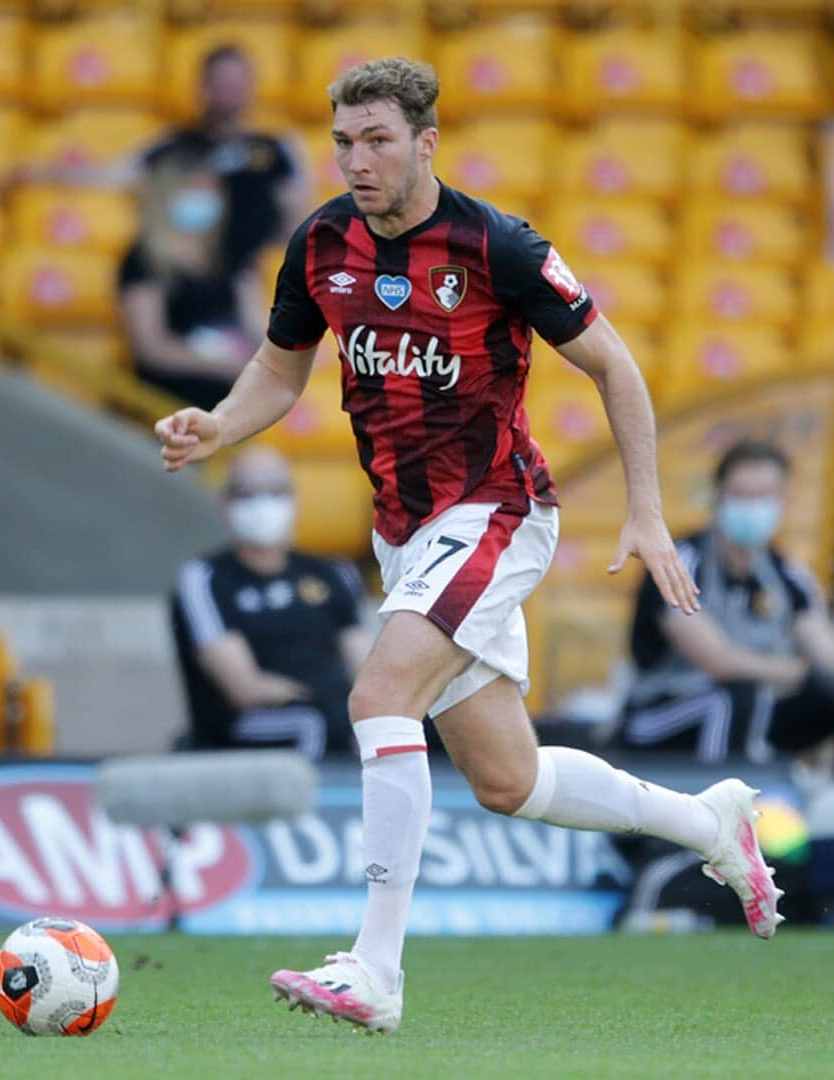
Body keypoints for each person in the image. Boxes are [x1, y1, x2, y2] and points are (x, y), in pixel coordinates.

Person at [154, 58, 783, 1034]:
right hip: (404, 536)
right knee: (508, 782)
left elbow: (616, 369)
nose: (357, 161)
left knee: (377, 694)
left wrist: (648, 512)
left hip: (495, 509)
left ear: (425, 141)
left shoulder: (499, 247)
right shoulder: (321, 241)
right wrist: (218, 425)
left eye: (378, 141)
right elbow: (279, 373)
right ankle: (710, 824)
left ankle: (375, 972)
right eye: (344, 142)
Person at [618, 439, 834, 765]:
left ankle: (803, 796)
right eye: (742, 495)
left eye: (764, 496)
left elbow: (822, 650)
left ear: (784, 501)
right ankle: (724, 804)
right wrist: (800, 674)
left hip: (751, 708)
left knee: (823, 697)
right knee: (731, 697)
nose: (753, 506)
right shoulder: (680, 562)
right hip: (657, 717)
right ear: (718, 497)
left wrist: (818, 680)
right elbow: (719, 661)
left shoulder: (789, 577)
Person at [13, 45, 306, 276]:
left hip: (255, 274)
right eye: (223, 82)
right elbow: (111, 175)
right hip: (194, 271)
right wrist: (38, 173)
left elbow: (297, 215)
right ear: (203, 88)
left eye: (239, 82)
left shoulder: (277, 148)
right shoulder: (174, 146)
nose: (233, 91)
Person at [171, 446, 372, 761]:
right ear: (224, 503)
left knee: (418, 724)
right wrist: (322, 699)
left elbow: (367, 670)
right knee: (316, 723)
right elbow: (245, 688)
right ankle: (313, 811)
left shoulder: (333, 574)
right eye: (247, 493)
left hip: (332, 709)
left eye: (275, 491)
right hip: (243, 727)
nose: (263, 504)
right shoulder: (206, 579)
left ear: (294, 499)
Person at [119, 152, 262, 410]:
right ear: (168, 193)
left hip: (231, 397)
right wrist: (220, 365)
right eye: (193, 189)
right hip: (168, 396)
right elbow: (151, 347)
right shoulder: (143, 260)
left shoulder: (229, 258)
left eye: (211, 189)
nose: (204, 197)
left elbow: (257, 328)